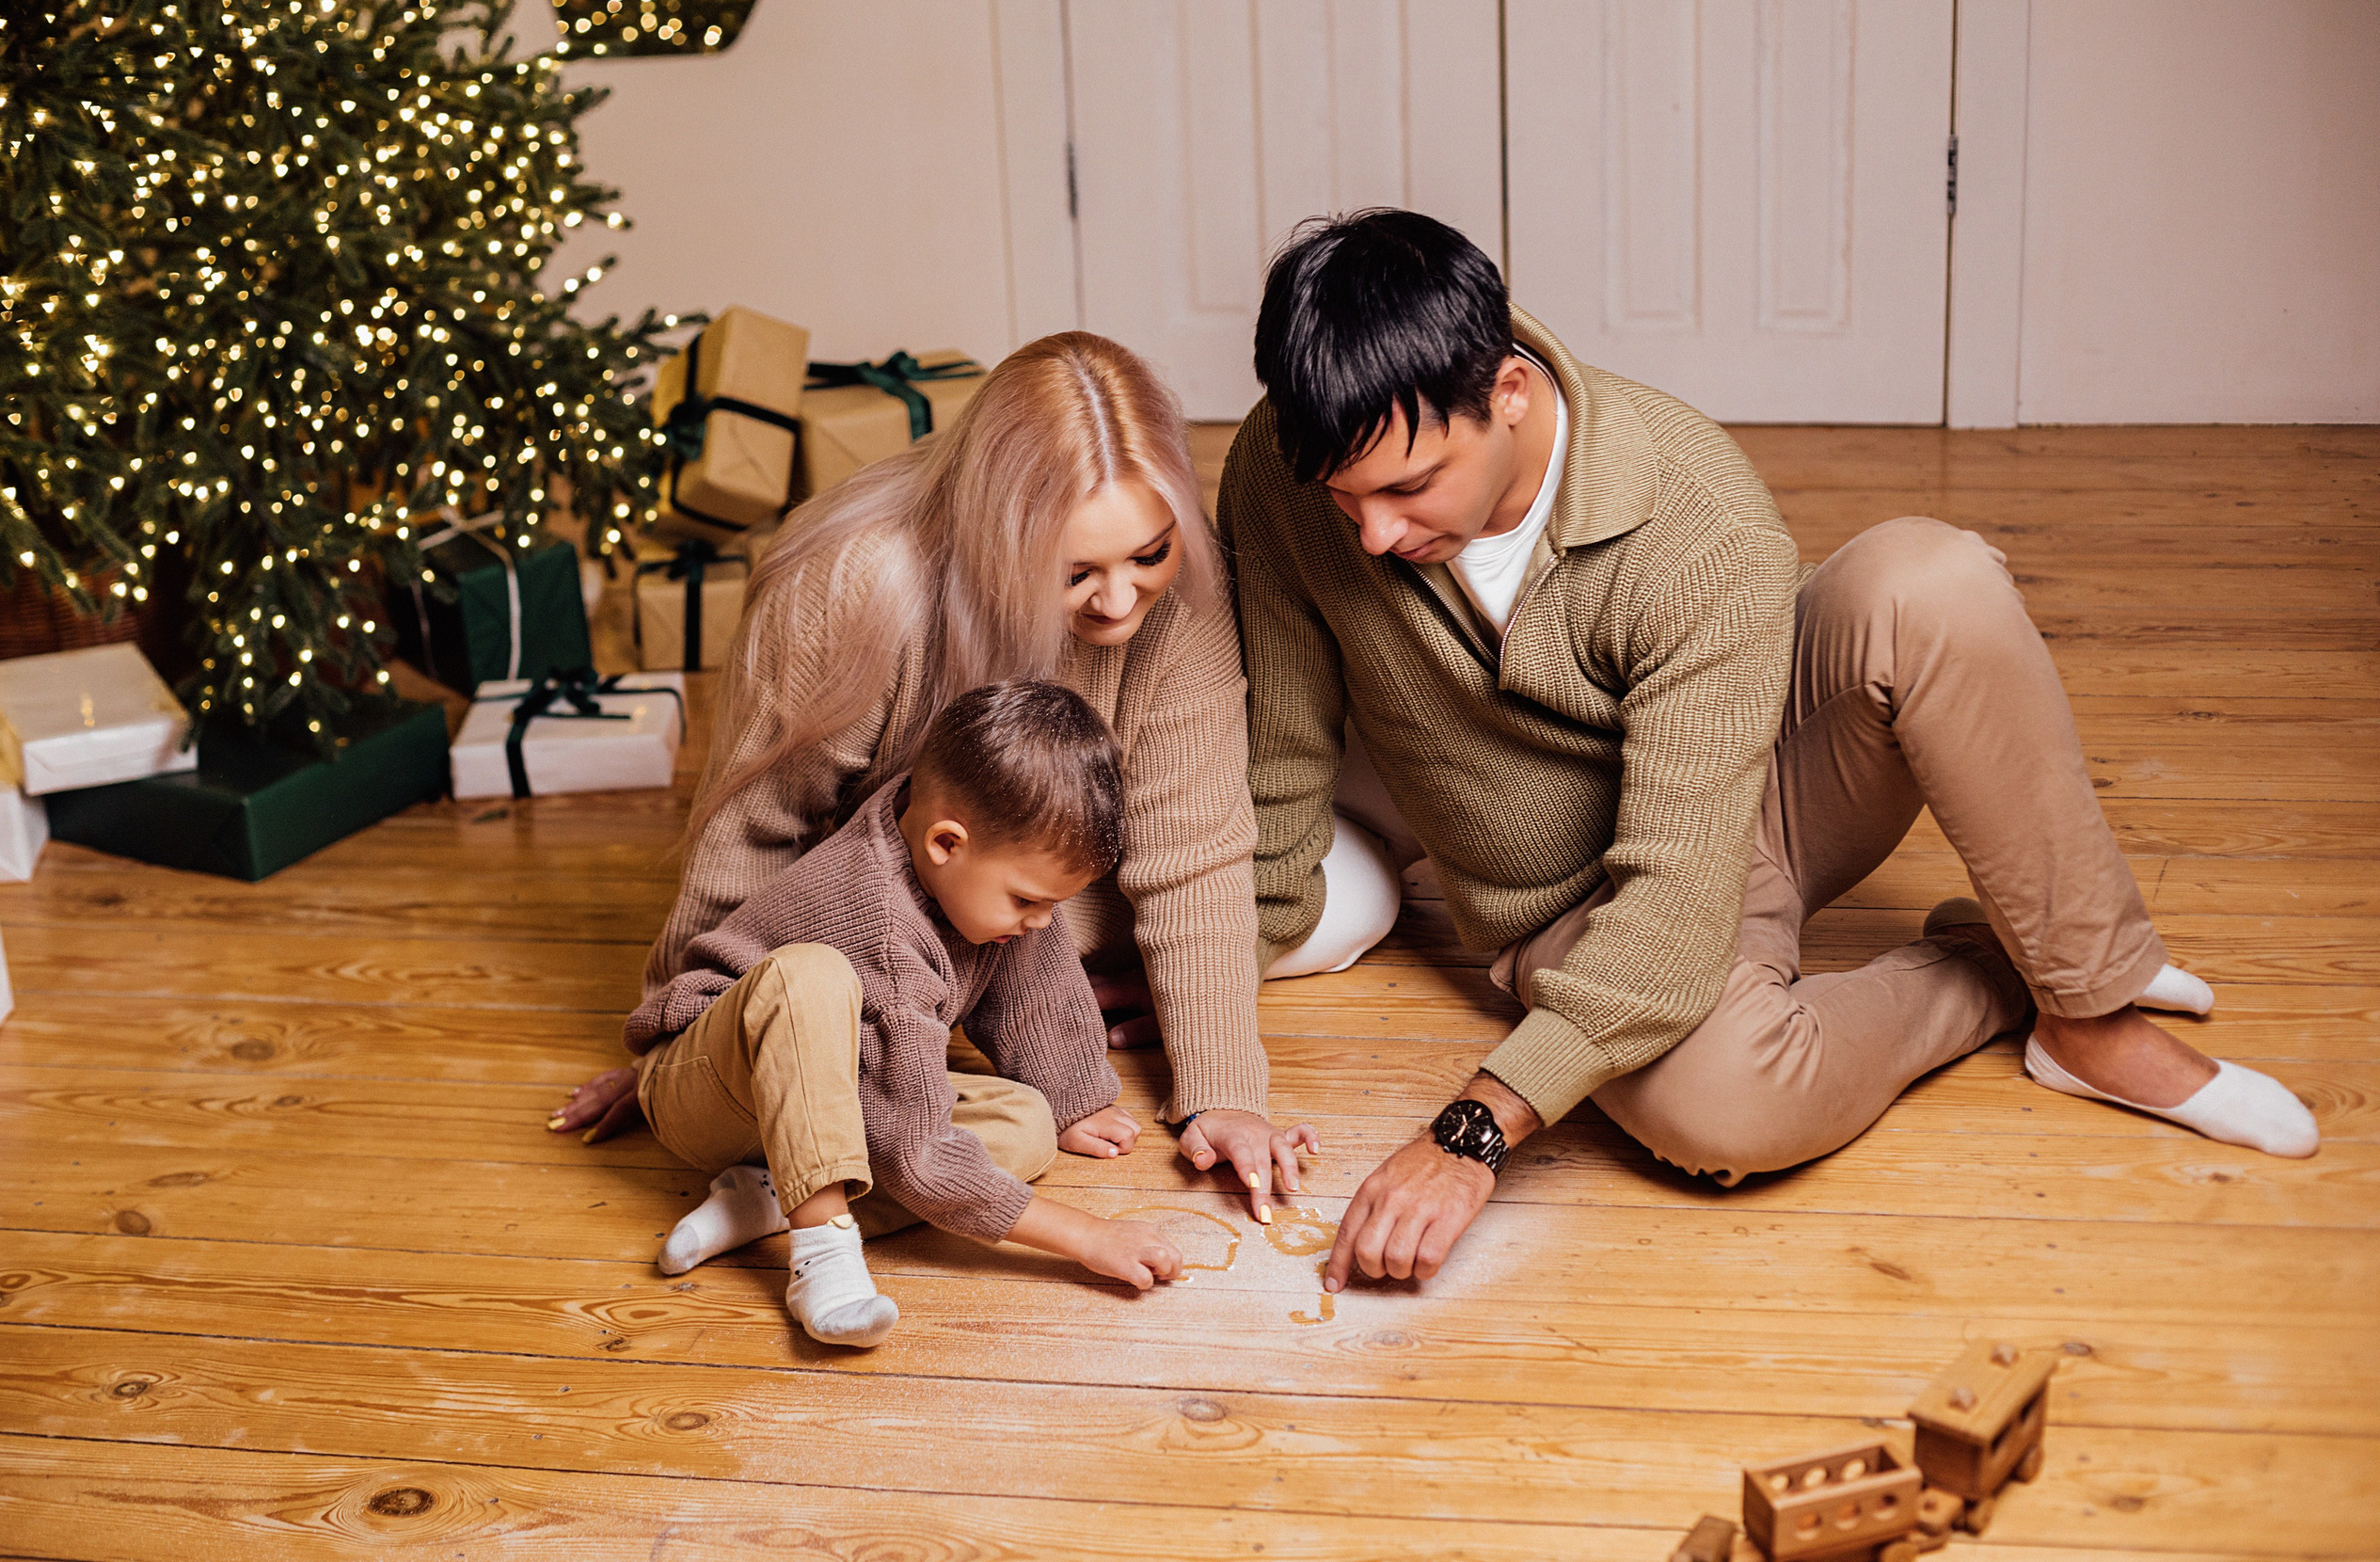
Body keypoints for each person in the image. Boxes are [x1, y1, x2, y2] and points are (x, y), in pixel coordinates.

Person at [1218, 210, 2320, 1296]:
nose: (1370, 535)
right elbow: (1283, 744)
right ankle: (1996, 971)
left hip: (1743, 792)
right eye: (1343, 499)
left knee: (1933, 583)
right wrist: (1212, 960)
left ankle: (2087, 1008)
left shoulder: (1700, 520)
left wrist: (1470, 1132)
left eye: (1409, 488)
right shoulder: (1289, 461)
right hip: (1566, 902)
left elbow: (1683, 882)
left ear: (1506, 392)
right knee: (1724, 1112)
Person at [552, 331, 1316, 1223]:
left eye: (1150, 553)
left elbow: (1194, 857)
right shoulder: (852, 586)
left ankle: (785, 1190)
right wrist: (692, 1035)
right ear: (1001, 538)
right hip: (845, 960)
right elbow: (753, 832)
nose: (1118, 601)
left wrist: (1222, 1086)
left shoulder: (1181, 613)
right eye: (1076, 572)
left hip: (1001, 955)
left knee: (1024, 1119)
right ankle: (804, 1172)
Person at [621, 680, 1182, 1347]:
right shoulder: (883, 923)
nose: (1040, 922)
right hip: (710, 1090)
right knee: (814, 975)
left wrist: (1071, 1095)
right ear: (947, 842)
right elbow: (914, 1153)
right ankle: (824, 1254)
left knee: (1023, 1127)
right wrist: (1087, 1234)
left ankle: (768, 1198)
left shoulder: (961, 862)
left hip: (823, 1101)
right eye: (1027, 900)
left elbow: (1035, 982)